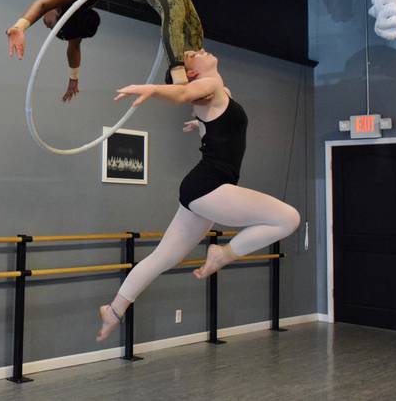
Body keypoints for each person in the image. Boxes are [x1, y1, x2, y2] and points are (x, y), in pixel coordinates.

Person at [95, 48, 300, 342]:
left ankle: (113, 310)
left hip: (203, 189)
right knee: (288, 218)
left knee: (164, 257)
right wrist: (151, 89)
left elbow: (203, 108)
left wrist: (201, 124)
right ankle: (222, 254)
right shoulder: (210, 86)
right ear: (191, 73)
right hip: (210, 186)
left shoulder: (217, 89)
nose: (199, 49)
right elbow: (182, 95)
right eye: (192, 54)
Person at [6, 0, 204, 101]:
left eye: (50, 25)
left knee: (181, 12)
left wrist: (19, 26)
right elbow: (73, 46)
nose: (46, 24)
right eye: (50, 26)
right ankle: (188, 70)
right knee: (178, 11)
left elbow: (42, 4)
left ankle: (183, 74)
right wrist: (73, 78)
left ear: (59, 11)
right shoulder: (75, 9)